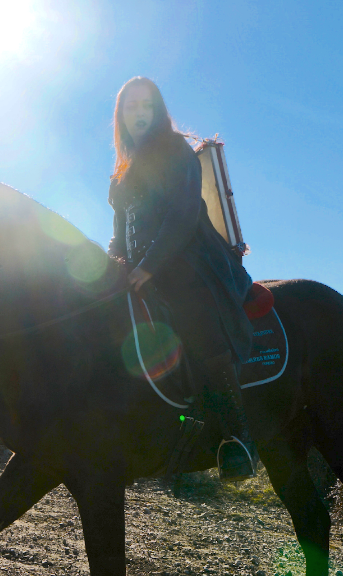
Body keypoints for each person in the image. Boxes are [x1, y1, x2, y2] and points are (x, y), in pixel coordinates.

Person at [107, 76, 258, 481]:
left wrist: (149, 266)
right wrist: (112, 266)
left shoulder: (176, 152)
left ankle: (236, 438)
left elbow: (183, 215)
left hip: (191, 264)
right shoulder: (121, 174)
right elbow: (118, 235)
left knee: (194, 312)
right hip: (139, 272)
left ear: (158, 111)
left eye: (146, 105)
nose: (138, 112)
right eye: (130, 106)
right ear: (120, 115)